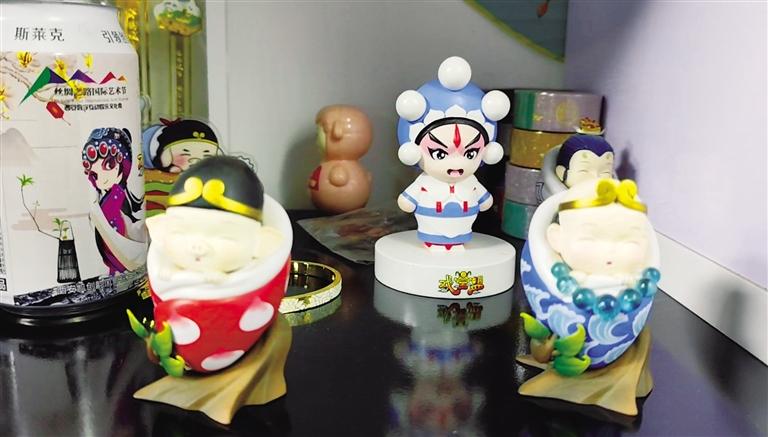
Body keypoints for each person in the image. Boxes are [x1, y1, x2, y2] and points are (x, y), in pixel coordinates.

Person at [394, 56, 509, 251]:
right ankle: (435, 243)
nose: (457, 164)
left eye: (470, 153)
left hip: (463, 232)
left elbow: (484, 201)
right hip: (430, 233)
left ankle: (455, 244)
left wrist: (485, 200)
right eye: (440, 154)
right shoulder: (425, 182)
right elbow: (406, 202)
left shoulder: (471, 182)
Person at [81, 127, 145, 274]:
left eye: (109, 165)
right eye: (95, 174)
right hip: (115, 256)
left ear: (124, 165)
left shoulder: (117, 196)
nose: (102, 178)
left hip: (123, 255)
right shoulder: (107, 198)